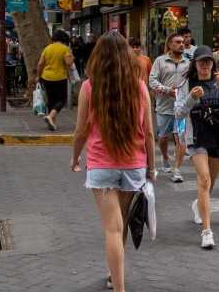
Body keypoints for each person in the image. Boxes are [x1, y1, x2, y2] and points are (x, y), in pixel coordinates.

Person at [69, 32, 155, 292]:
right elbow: (149, 132)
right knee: (121, 225)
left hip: (101, 165)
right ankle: (113, 273)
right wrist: (152, 167)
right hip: (133, 164)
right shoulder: (139, 86)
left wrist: (74, 157)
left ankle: (118, 285)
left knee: (112, 228)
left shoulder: (89, 87)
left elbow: (81, 130)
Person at [175, 46, 219, 249]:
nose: (205, 65)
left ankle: (198, 204)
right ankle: (207, 232)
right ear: (195, 63)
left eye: (208, 62)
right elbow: (178, 113)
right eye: (201, 62)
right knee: (204, 179)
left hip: (218, 135)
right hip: (197, 137)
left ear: (213, 63)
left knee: (210, 183)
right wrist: (191, 97)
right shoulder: (186, 83)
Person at [149, 32, 190, 183]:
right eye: (177, 42)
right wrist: (168, 90)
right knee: (163, 137)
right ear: (170, 44)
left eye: (183, 42)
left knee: (181, 138)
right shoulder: (160, 61)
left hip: (182, 108)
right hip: (164, 107)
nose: (181, 44)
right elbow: (152, 81)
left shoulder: (188, 63)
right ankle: (165, 157)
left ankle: (177, 170)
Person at [37, 30, 75, 131]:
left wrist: (38, 76)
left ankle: (52, 123)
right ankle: (50, 117)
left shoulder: (47, 48)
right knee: (62, 99)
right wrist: (72, 57)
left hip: (46, 77)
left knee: (51, 100)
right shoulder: (65, 49)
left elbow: (40, 64)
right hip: (60, 77)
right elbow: (69, 63)